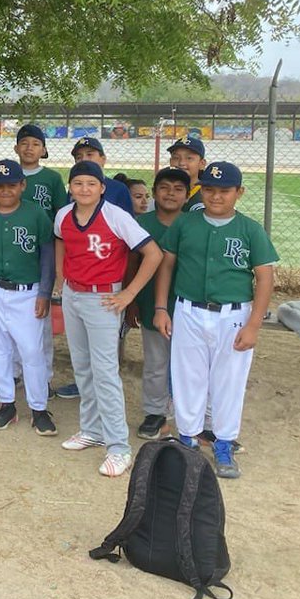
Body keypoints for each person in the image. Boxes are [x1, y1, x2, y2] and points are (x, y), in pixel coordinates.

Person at [154, 162, 278, 479]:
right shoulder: (185, 223)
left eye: (224, 191)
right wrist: (161, 308)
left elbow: (265, 278)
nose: (216, 196)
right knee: (188, 377)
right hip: (189, 310)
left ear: (239, 192)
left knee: (229, 381)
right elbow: (167, 266)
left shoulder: (250, 229)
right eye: (209, 189)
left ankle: (223, 443)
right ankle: (187, 440)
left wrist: (254, 325)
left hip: (233, 314)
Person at [54, 161, 162, 478]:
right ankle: (92, 430)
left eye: (91, 183)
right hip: (74, 294)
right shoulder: (64, 215)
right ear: (70, 187)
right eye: (78, 183)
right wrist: (61, 277)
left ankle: (119, 447)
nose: (84, 189)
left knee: (105, 372)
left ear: (102, 188)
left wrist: (129, 293)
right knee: (82, 366)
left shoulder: (115, 216)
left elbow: (153, 254)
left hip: (103, 297)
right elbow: (60, 240)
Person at [0, 161, 57, 435]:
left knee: (31, 350)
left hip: (28, 291)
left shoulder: (36, 213)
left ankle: (39, 408)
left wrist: (44, 292)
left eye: (11, 185)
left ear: (22, 185)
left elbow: (47, 256)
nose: (5, 190)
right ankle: (7, 404)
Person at [125, 168, 190, 440]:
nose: (170, 194)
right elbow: (131, 263)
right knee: (155, 362)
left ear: (187, 196)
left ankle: (193, 417)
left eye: (178, 189)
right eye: (164, 188)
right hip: (151, 301)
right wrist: (131, 301)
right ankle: (154, 412)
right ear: (154, 193)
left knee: (190, 364)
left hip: (189, 305)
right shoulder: (140, 223)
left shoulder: (194, 223)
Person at [69, 137, 135, 213]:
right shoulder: (75, 188)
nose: (84, 159)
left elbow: (126, 218)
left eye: (89, 154)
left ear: (103, 159)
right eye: (79, 157)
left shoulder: (119, 189)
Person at [15, 124, 66, 216]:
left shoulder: (53, 178)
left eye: (35, 144)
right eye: (24, 143)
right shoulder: (8, 175)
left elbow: (61, 212)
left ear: (43, 151)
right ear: (16, 148)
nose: (29, 148)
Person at [167, 136, 207, 213]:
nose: (181, 163)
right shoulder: (163, 192)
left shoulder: (208, 195)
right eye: (176, 158)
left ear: (202, 164)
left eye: (189, 158)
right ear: (171, 161)